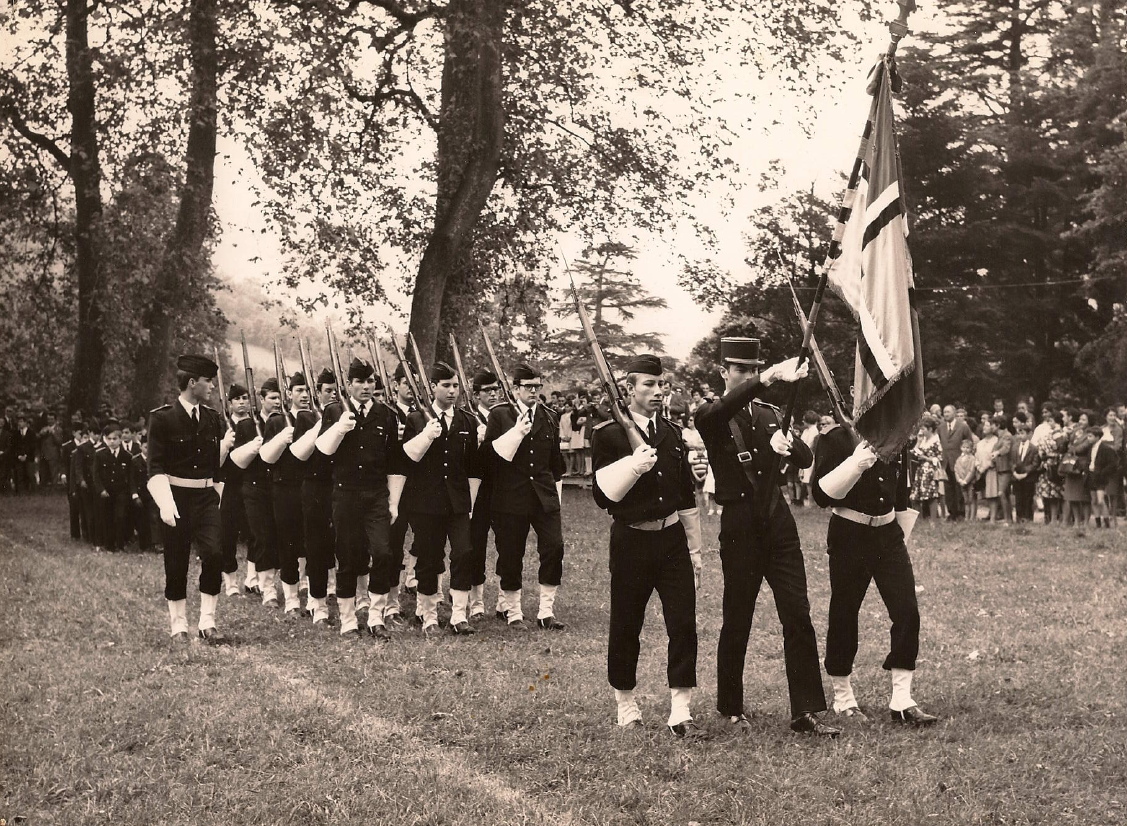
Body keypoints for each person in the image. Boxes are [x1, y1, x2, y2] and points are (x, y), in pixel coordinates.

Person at [694, 336, 838, 737]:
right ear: (723, 372)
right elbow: (721, 411)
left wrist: (788, 447)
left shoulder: (772, 413)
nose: (747, 376)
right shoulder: (712, 414)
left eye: (753, 370)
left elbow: (807, 458)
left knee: (797, 613)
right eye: (740, 370)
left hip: (778, 521)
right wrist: (770, 376)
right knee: (737, 616)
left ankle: (805, 710)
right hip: (739, 523)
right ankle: (731, 705)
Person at [591, 355, 703, 736]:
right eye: (649, 385)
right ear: (629, 389)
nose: (658, 392)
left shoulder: (670, 433)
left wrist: (695, 550)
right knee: (627, 624)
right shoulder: (608, 434)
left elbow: (685, 495)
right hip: (632, 540)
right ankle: (625, 702)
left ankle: (680, 711)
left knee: (683, 622)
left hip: (672, 540)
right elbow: (602, 497)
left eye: (661, 385)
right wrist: (633, 466)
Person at [811, 420, 938, 727]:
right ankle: (843, 697)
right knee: (845, 613)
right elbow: (821, 495)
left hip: (888, 533)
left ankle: (902, 700)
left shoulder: (895, 433)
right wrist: (855, 465)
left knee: (907, 611)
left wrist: (900, 533)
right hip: (849, 533)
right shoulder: (836, 437)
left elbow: (900, 490)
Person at [146, 353, 235, 644]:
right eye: (208, 381)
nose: (212, 386)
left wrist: (217, 493)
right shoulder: (162, 419)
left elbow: (216, 466)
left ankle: (207, 622)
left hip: (206, 497)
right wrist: (165, 502)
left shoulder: (212, 418)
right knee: (176, 561)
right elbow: (154, 466)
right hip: (176, 497)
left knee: (215, 554)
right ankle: (179, 625)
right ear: (192, 382)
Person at [391, 362, 483, 635]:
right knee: (430, 556)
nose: (452, 391)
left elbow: (472, 467)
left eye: (455, 386)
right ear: (432, 387)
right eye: (446, 386)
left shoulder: (467, 420)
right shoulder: (416, 419)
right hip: (426, 501)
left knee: (464, 552)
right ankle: (428, 613)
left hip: (458, 502)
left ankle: (459, 615)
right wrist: (425, 436)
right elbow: (406, 458)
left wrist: (470, 503)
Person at [315, 357, 404, 639]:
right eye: (359, 382)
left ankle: (376, 616)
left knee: (382, 552)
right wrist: (340, 427)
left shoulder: (386, 414)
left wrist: (393, 502)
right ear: (348, 384)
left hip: (376, 495)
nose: (366, 387)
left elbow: (394, 462)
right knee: (348, 556)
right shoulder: (334, 411)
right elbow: (323, 451)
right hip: (346, 494)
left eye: (370, 381)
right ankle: (348, 620)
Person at [483, 362, 566, 630]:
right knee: (510, 553)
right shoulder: (500, 415)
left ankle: (546, 612)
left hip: (543, 495)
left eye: (537, 387)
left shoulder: (549, 416)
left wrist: (556, 498)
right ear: (516, 388)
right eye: (528, 387)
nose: (533, 391)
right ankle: (513, 611)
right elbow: (489, 459)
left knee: (554, 547)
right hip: (510, 496)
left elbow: (555, 463)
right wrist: (515, 433)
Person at [261, 372, 311, 616]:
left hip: (311, 487)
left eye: (307, 390)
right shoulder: (277, 421)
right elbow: (267, 458)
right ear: (289, 394)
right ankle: (291, 600)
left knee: (312, 541)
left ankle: (313, 594)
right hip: (285, 488)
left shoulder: (316, 419)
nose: (305, 395)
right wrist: (282, 440)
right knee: (287, 542)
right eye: (299, 390)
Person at [230, 379, 283, 607]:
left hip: (278, 486)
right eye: (272, 398)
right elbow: (238, 460)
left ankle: (268, 581)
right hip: (254, 487)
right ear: (261, 400)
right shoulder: (247, 425)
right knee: (262, 536)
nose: (277, 402)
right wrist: (254, 446)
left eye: (279, 398)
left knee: (279, 536)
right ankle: (267, 589)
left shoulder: (284, 422)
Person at [296, 368, 336, 625]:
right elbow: (301, 453)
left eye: (336, 391)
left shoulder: (345, 415)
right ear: (317, 393)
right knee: (316, 545)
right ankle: (316, 602)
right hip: (314, 487)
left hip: (338, 485)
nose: (332, 395)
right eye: (327, 391)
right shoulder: (306, 418)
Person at [467, 369, 502, 620]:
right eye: (487, 391)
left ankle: (504, 601)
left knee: (507, 546)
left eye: (495, 390)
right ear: (476, 395)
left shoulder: (507, 416)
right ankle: (476, 601)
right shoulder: (469, 418)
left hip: (502, 489)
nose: (493, 394)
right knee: (475, 546)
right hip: (477, 490)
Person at [217, 385, 255, 597]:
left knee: (254, 532)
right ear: (230, 403)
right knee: (227, 534)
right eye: (237, 399)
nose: (241, 402)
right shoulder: (223, 425)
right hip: (229, 485)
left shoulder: (254, 424)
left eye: (245, 398)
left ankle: (252, 579)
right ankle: (230, 582)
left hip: (251, 483)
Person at [93, 422, 134, 552]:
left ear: (120, 439)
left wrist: (131, 492)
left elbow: (130, 476)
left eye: (114, 439)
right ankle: (109, 545)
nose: (112, 442)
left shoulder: (127, 456)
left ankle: (120, 544)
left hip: (121, 491)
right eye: (109, 439)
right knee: (107, 517)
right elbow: (96, 475)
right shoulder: (100, 455)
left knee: (120, 517)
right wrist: (101, 489)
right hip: (106, 492)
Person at [938, 405, 974, 521]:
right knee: (948, 488)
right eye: (944, 412)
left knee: (959, 488)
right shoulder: (941, 427)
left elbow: (969, 442)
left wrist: (966, 458)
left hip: (960, 462)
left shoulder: (963, 427)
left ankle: (961, 513)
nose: (946, 414)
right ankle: (952, 513)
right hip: (945, 462)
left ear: (954, 413)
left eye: (948, 412)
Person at [909, 416, 942, 519]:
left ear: (930, 429)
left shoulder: (936, 441)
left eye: (923, 429)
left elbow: (939, 458)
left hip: (930, 470)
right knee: (917, 494)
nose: (921, 431)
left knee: (931, 495)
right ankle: (920, 519)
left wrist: (926, 458)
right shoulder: (923, 440)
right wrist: (918, 442)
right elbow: (914, 453)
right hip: (921, 469)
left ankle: (933, 520)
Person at [1035, 411, 1065, 524]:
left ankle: (1056, 518)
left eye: (1051, 421)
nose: (1049, 423)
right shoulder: (1050, 433)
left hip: (1056, 467)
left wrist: (1049, 454)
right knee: (1048, 494)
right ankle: (1049, 518)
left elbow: (1060, 449)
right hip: (1046, 467)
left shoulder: (1060, 433)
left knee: (1055, 495)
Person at [1086, 425, 1119, 528]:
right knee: (1094, 500)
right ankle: (1098, 523)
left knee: (1100, 500)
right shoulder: (1090, 448)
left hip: (1100, 477)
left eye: (1090, 436)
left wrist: (1102, 472)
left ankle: (1107, 522)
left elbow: (1113, 463)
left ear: (1097, 437)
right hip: (1091, 475)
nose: (1088, 438)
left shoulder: (1105, 449)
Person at [1062, 411, 1091, 526]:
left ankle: (1086, 522)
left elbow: (1083, 447)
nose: (1081, 422)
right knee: (1072, 495)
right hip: (1071, 465)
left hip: (1082, 465)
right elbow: (1068, 444)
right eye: (1080, 419)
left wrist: (1072, 448)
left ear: (1089, 421)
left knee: (1084, 496)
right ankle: (1077, 521)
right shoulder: (1075, 431)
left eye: (1084, 419)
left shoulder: (1090, 433)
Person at [1010, 416, 1040, 523]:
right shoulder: (1014, 447)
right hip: (1017, 477)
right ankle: (1019, 518)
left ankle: (1028, 518)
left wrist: (1025, 473)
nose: (1020, 436)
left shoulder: (1033, 448)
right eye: (1018, 433)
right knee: (1018, 498)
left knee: (1028, 498)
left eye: (1022, 433)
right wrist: (1014, 472)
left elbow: (1035, 464)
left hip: (1028, 477)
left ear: (1029, 434)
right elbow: (1012, 461)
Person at [954, 439, 977, 517]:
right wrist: (959, 479)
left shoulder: (972, 458)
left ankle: (972, 517)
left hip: (970, 482)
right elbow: (956, 469)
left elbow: (972, 470)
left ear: (971, 449)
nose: (965, 449)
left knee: (971, 499)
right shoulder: (959, 459)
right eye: (963, 447)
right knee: (966, 500)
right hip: (961, 481)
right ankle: (966, 517)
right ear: (961, 447)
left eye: (968, 448)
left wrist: (966, 480)